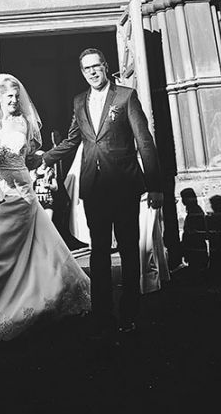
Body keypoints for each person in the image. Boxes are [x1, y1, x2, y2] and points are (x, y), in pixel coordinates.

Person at [0, 74, 91, 345]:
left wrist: (40, 161)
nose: (14, 101)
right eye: (9, 96)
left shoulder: (23, 122)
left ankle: (37, 301)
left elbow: (29, 157)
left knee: (35, 249)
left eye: (17, 97)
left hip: (23, 195)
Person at [42, 48, 164, 339]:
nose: (93, 72)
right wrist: (44, 158)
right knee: (98, 253)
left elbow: (144, 141)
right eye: (87, 69)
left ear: (106, 66)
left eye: (96, 66)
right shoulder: (79, 101)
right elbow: (73, 140)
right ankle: (102, 315)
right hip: (94, 187)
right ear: (82, 72)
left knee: (129, 250)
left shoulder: (125, 97)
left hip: (124, 185)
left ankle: (129, 313)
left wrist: (155, 185)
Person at [180, 187, 208, 273]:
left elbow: (193, 232)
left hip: (195, 247)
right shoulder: (194, 210)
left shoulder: (195, 211)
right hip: (195, 247)